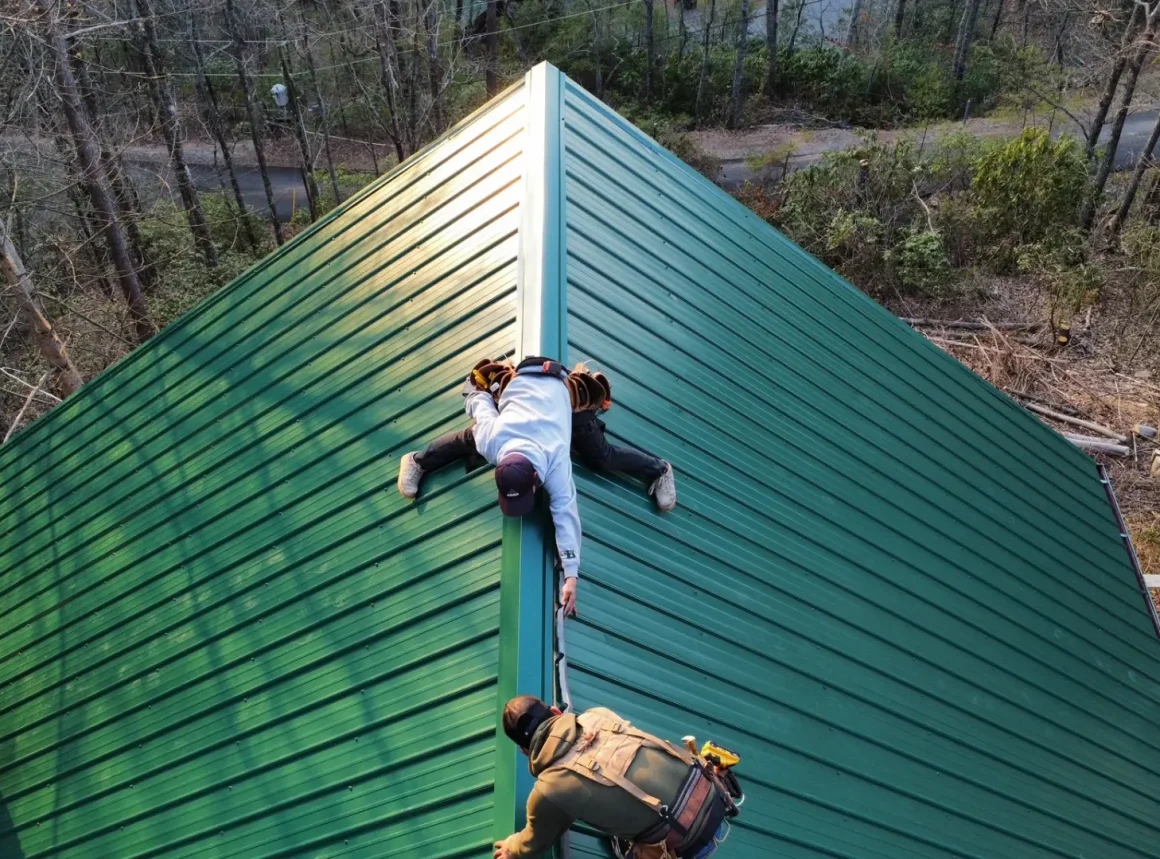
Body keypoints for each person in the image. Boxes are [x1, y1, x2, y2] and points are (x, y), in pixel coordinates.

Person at [397, 358, 678, 615]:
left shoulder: (555, 460)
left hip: (560, 388)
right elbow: (480, 405)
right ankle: (417, 462)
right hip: (523, 379)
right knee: (470, 438)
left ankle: (660, 470)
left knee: (600, 456)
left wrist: (571, 576)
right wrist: (474, 392)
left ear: (535, 479)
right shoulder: (493, 441)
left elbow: (566, 515)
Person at [494, 696, 736, 859]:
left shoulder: (549, 790)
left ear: (525, 751)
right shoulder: (598, 715)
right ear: (556, 712)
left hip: (688, 845)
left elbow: (534, 842)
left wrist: (511, 848)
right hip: (715, 797)